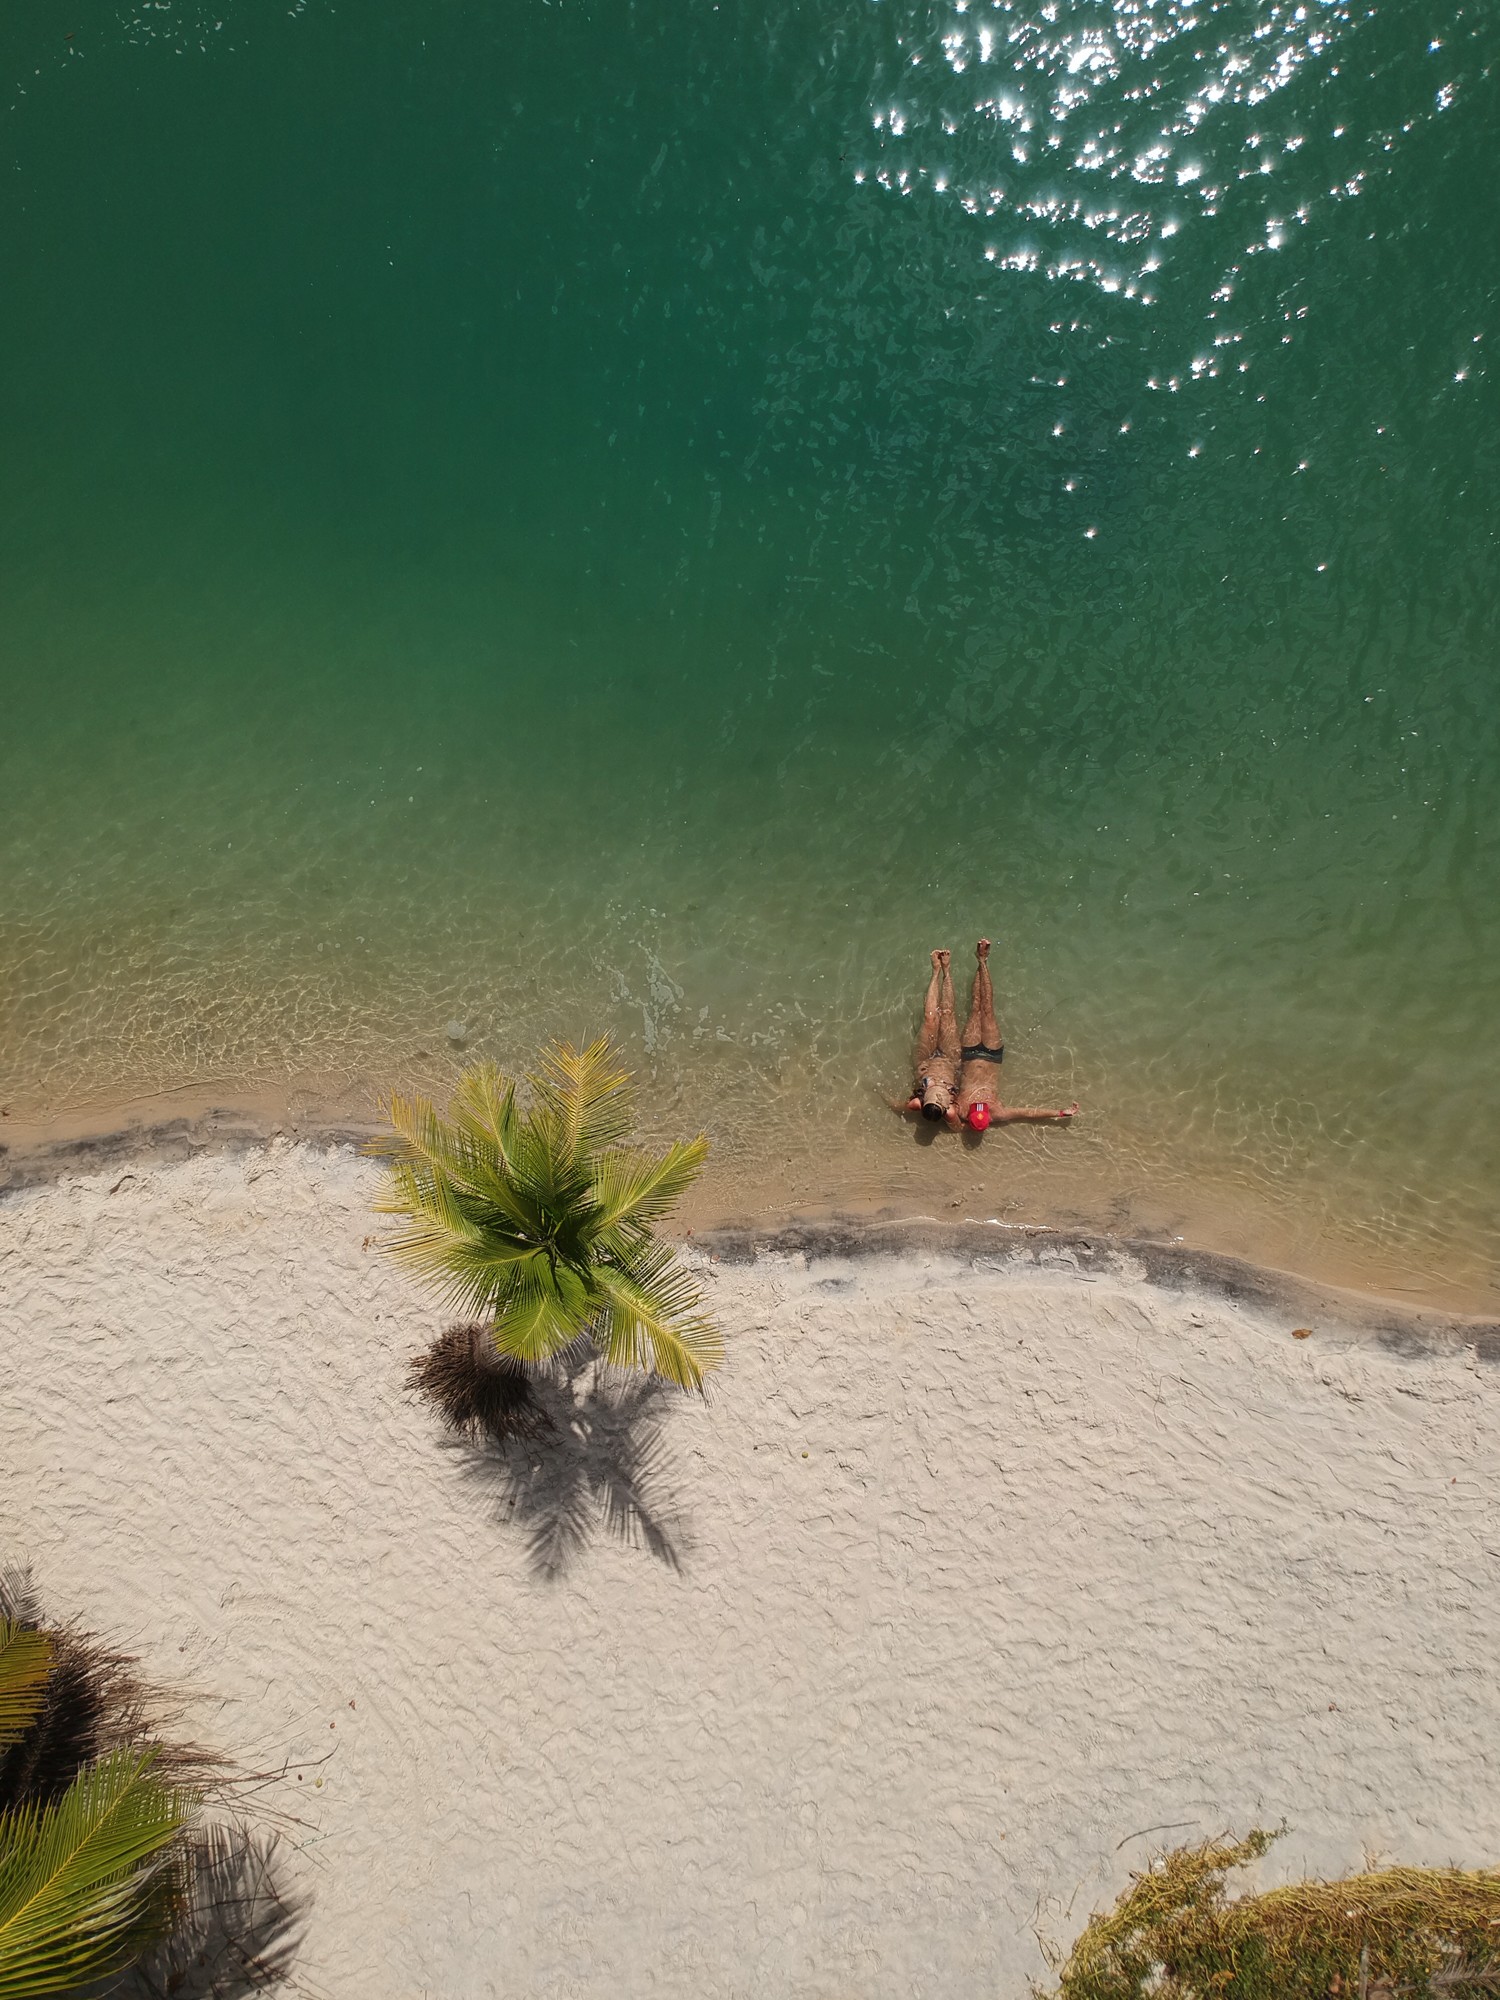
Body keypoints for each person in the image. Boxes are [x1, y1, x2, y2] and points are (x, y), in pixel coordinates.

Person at [955, 938, 1078, 1132]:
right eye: (981, 1110)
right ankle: (983, 960)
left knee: (975, 1008)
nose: (979, 1106)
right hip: (992, 1055)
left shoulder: (961, 1111)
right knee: (987, 1009)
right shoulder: (997, 1113)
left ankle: (980, 960)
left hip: (969, 1054)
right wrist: (1061, 1112)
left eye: (976, 1110)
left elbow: (940, 1107)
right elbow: (1028, 1112)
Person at [904, 949, 961, 1123]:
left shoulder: (916, 1103)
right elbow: (957, 1126)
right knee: (948, 1014)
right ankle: (947, 971)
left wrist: (881, 1096)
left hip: (925, 1059)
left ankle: (935, 972)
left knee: (930, 1018)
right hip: (949, 1059)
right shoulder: (950, 1110)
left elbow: (902, 1105)